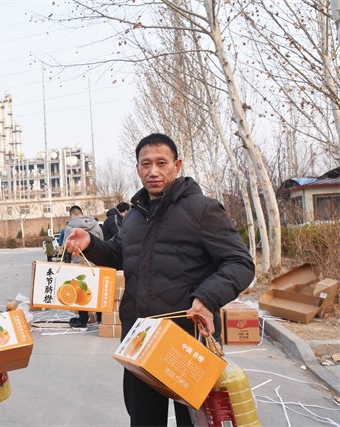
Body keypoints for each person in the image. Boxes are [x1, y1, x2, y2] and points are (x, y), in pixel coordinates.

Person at [64, 133, 254, 426]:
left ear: (176, 166)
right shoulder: (134, 216)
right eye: (146, 164)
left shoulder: (202, 209)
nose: (153, 171)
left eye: (161, 163)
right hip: (141, 340)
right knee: (143, 419)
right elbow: (118, 254)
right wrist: (90, 243)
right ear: (138, 168)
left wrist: (206, 298)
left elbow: (240, 262)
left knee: (193, 422)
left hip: (188, 340)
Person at [62, 205, 103, 331]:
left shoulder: (70, 227)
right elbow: (103, 242)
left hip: (79, 263)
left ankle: (83, 321)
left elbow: (66, 247)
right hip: (96, 262)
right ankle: (100, 319)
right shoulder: (95, 225)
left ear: (72, 215)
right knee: (95, 290)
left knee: (80, 291)